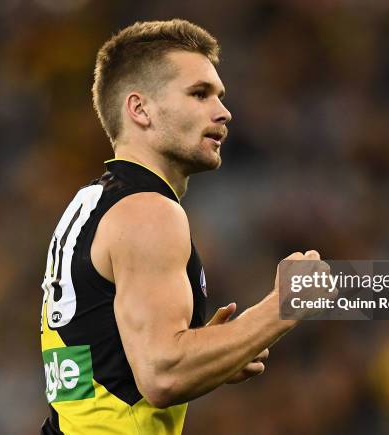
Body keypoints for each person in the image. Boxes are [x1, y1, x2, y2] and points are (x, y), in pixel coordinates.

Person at [39, 18, 320, 435]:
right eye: (199, 94)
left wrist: (214, 352)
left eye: (219, 96)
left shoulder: (95, 203)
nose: (223, 112)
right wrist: (282, 307)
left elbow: (101, 364)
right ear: (140, 109)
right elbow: (162, 374)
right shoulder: (148, 213)